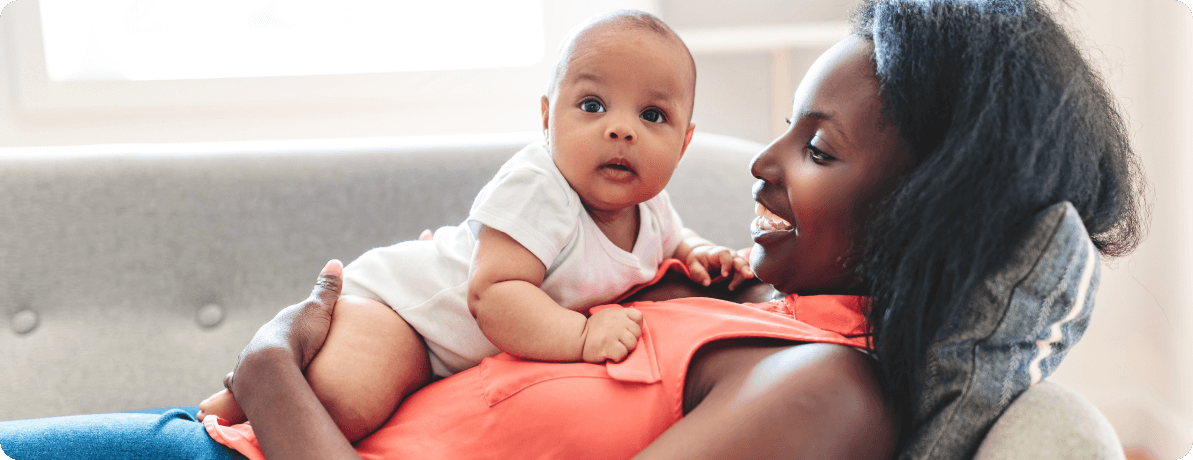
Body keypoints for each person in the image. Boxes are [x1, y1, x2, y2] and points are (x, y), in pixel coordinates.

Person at [0, 0, 1145, 458]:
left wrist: (270, 364)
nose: (759, 162)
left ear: (930, 212)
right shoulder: (741, 301)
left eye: (818, 149)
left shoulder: (820, 394)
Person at [194, 10, 754, 442]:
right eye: (591, 105)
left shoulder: (651, 205)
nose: (620, 130)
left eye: (651, 115)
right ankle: (248, 386)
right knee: (346, 404)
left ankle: (246, 391)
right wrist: (582, 338)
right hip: (407, 312)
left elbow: (676, 242)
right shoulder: (539, 187)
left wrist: (705, 253)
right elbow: (494, 296)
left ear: (683, 143)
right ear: (546, 118)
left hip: (448, 353)